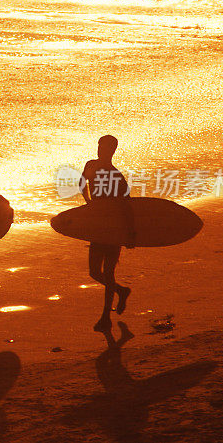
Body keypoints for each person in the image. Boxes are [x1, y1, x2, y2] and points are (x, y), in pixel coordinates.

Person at [81, 135, 134, 333]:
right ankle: (121, 290)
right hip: (98, 226)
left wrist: (129, 233)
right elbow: (81, 181)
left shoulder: (116, 176)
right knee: (94, 272)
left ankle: (105, 317)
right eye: (99, 146)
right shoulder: (91, 165)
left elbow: (127, 205)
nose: (100, 150)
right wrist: (87, 202)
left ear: (112, 151)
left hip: (113, 229)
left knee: (109, 272)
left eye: (105, 148)